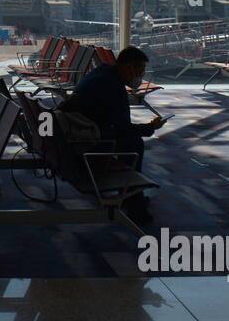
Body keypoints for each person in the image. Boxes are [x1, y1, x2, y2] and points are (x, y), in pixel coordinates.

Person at [56, 45, 165, 224]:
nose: (140, 77)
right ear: (129, 67)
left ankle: (132, 194)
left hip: (74, 131)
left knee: (129, 140)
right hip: (85, 142)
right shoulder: (114, 87)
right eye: (140, 71)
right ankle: (134, 200)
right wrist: (150, 127)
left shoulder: (102, 72)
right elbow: (123, 129)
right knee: (133, 143)